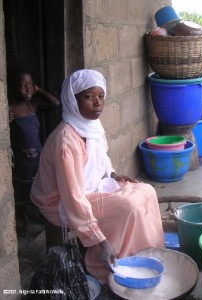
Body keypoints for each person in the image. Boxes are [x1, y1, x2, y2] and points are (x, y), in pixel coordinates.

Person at [30, 69, 165, 284]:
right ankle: (107, 263)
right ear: (73, 101)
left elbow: (101, 158)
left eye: (101, 96)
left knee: (145, 191)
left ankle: (147, 254)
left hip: (87, 188)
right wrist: (100, 240)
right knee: (128, 205)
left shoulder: (91, 127)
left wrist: (113, 175)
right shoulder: (66, 142)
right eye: (88, 96)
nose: (97, 103)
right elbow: (72, 197)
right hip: (58, 202)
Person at [8, 68, 60, 236]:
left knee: (39, 189)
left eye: (30, 85)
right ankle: (23, 223)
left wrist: (39, 90)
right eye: (24, 86)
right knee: (22, 194)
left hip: (38, 159)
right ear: (13, 88)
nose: (28, 89)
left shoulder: (32, 105)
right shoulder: (10, 110)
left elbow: (56, 103)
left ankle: (36, 216)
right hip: (22, 162)